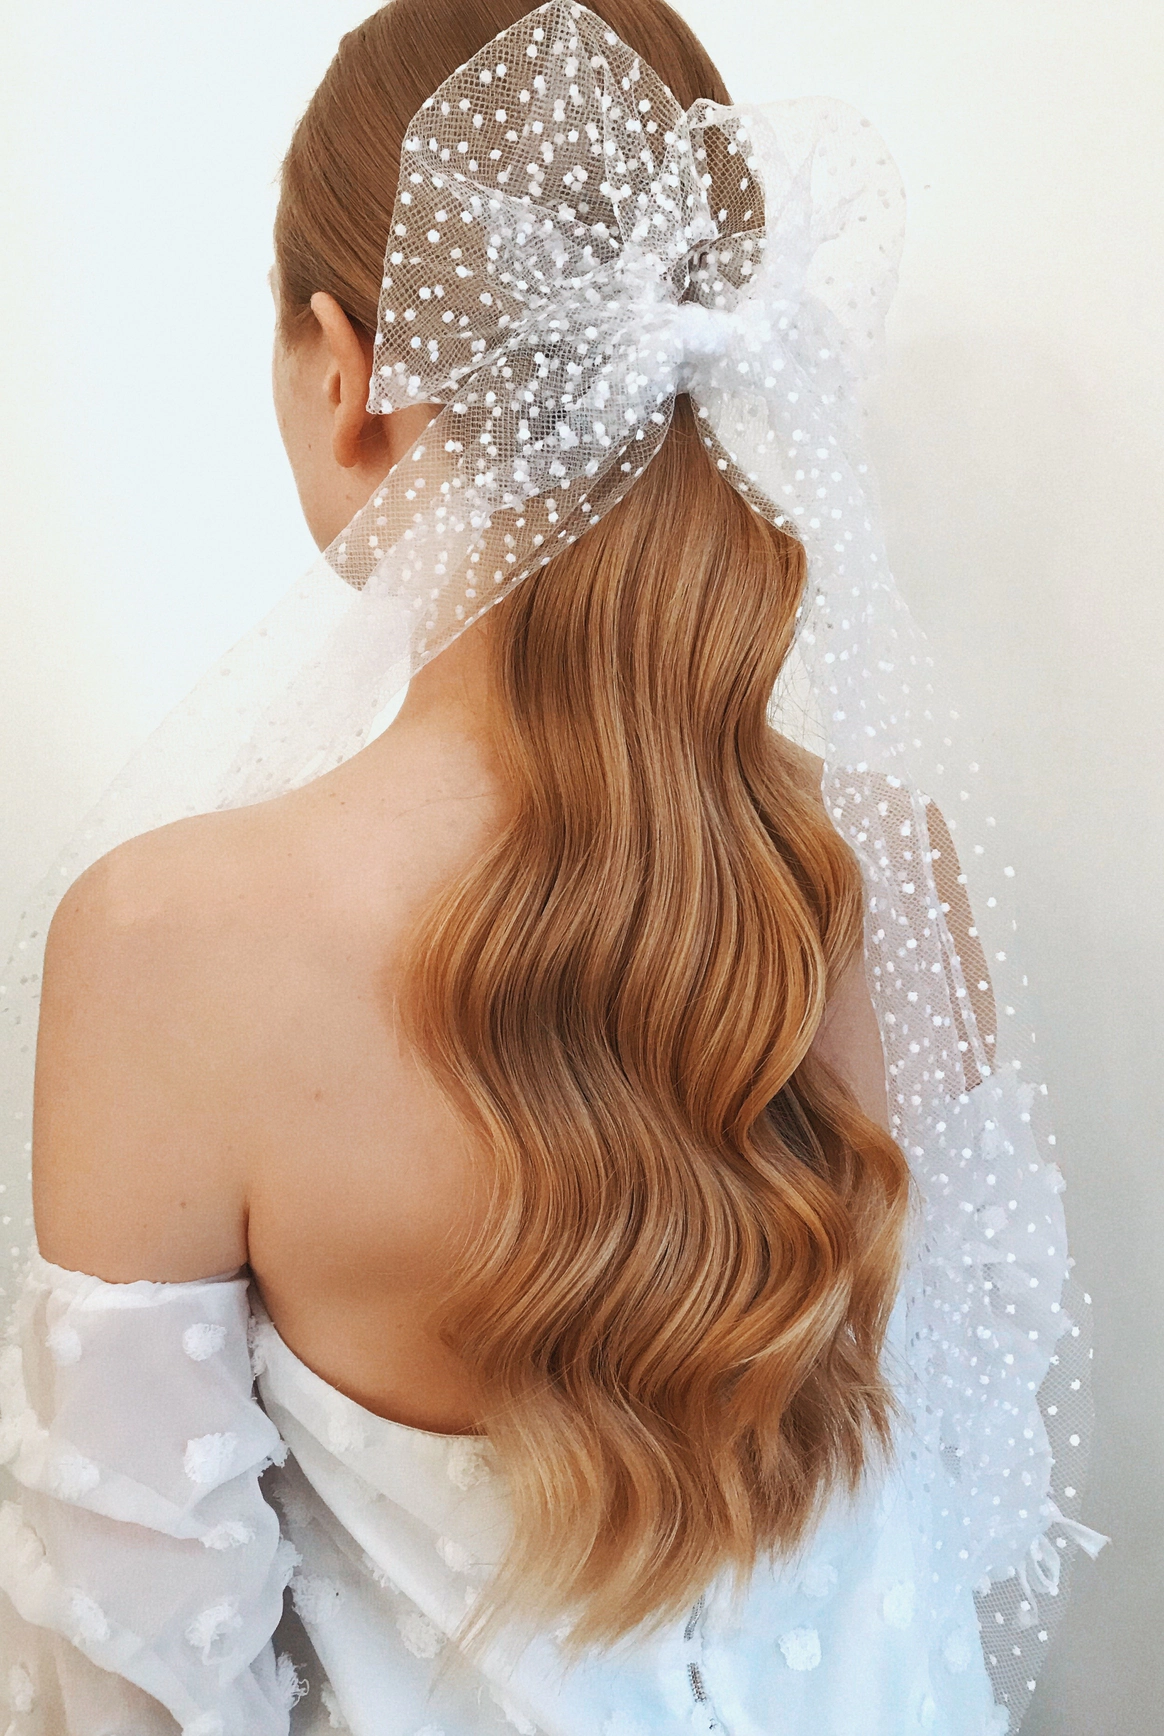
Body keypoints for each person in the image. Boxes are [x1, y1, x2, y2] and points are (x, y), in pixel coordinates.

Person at [0, 2, 1105, 1732]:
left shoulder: (169, 951)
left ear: (343, 367)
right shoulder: (895, 870)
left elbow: (139, 1688)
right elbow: (951, 1476)